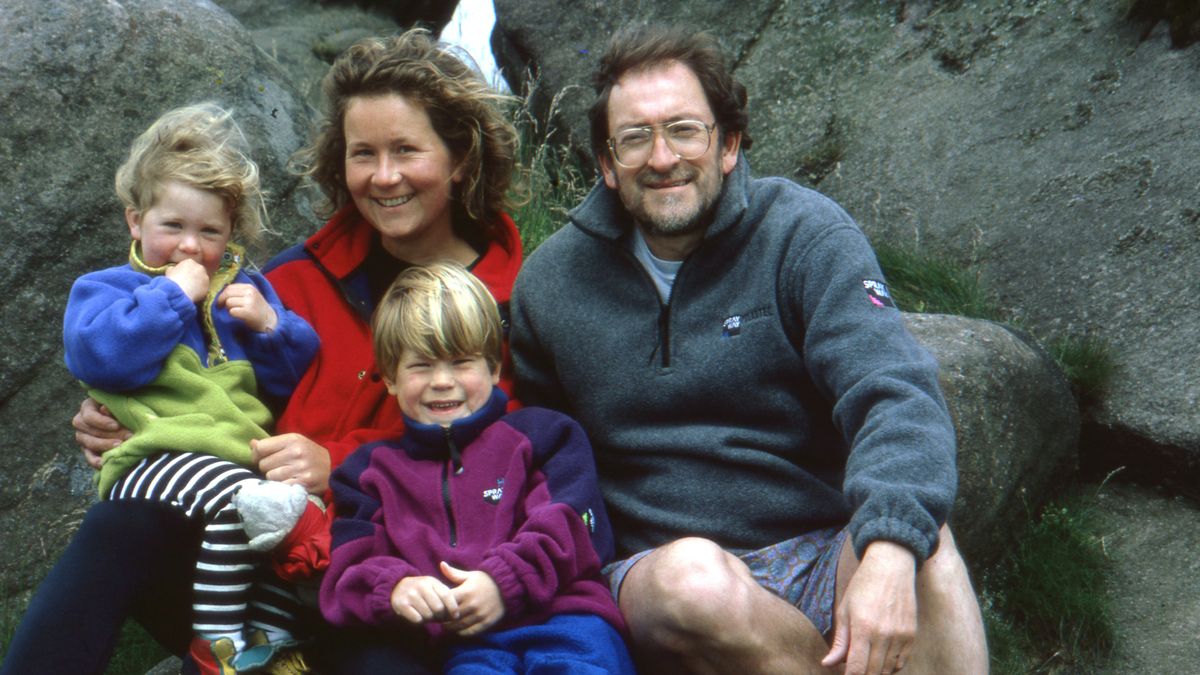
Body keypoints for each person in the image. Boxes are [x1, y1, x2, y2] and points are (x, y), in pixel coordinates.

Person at [4, 28, 522, 675]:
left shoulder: (512, 302)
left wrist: (335, 460)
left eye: (406, 151)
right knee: (123, 522)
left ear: (461, 158)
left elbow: (504, 464)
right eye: (363, 153)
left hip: (387, 578)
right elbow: (218, 381)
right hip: (242, 560)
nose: (383, 175)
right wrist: (123, 413)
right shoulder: (290, 280)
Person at [509, 24, 989, 675]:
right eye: (634, 137)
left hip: (821, 543)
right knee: (693, 581)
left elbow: (895, 393)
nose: (660, 157)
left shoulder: (804, 235)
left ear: (728, 143)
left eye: (684, 129)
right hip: (665, 576)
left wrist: (887, 550)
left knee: (919, 542)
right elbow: (537, 449)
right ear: (605, 163)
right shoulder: (550, 284)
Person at [60, 101, 324, 674]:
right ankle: (217, 645)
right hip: (154, 457)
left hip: (239, 456)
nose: (189, 247)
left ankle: (270, 641)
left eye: (209, 232)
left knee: (287, 513)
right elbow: (100, 355)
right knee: (247, 501)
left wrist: (271, 326)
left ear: (231, 235)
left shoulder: (246, 292)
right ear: (135, 221)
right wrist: (173, 297)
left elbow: (294, 382)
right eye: (172, 227)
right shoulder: (107, 288)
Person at [320, 262, 634, 674]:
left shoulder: (546, 436)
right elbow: (350, 568)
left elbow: (575, 528)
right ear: (391, 377)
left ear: (494, 367)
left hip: (567, 622)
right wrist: (396, 587)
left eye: (461, 362)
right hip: (466, 643)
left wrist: (501, 583)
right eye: (421, 365)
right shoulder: (365, 474)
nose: (442, 381)